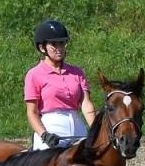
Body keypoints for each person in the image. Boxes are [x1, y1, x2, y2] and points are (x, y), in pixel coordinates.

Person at [25, 18, 95, 149]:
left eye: (62, 44)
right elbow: (32, 112)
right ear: (42, 47)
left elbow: (86, 104)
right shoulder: (34, 74)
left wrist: (96, 128)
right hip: (51, 126)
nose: (59, 48)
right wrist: (44, 134)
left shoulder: (77, 72)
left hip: (77, 126)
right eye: (54, 44)